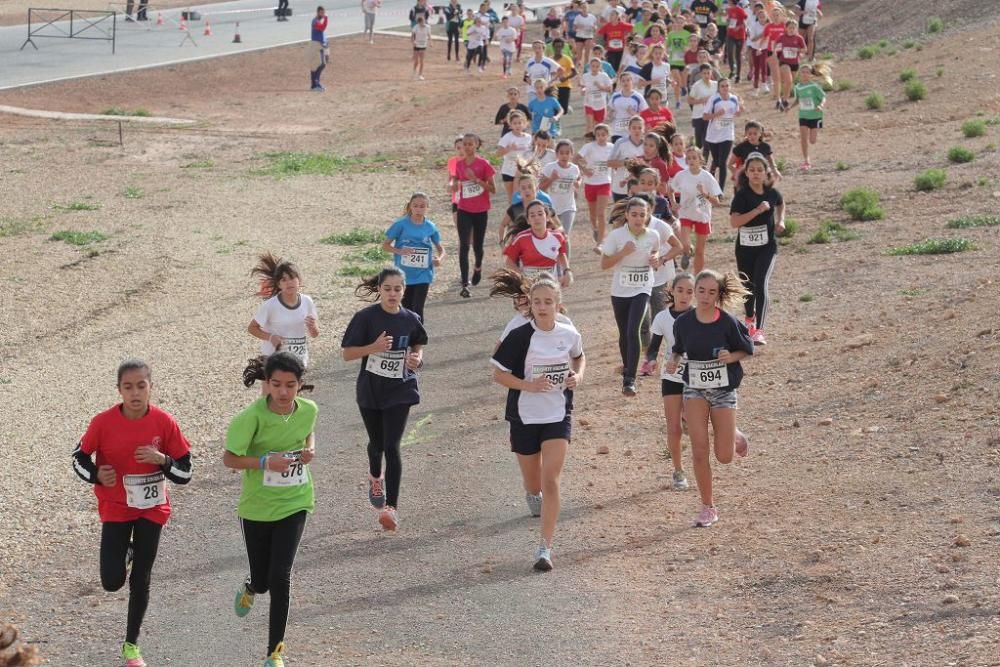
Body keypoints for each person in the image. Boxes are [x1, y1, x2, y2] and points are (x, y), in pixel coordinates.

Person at [73, 359, 193, 667]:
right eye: (128, 387)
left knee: (141, 577)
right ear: (119, 390)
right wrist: (98, 474)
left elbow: (185, 471)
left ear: (151, 387)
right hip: (115, 507)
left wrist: (163, 460)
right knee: (112, 582)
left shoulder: (165, 423)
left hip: (152, 508)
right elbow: (79, 458)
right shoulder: (103, 422)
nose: (135, 392)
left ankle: (131, 646)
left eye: (142, 385)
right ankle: (125, 551)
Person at [225, 352, 317, 667]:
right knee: (263, 581)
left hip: (296, 500)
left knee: (281, 576)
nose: (282, 392)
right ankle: (251, 585)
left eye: (290, 385)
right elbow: (230, 459)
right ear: (266, 383)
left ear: (300, 385)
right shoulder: (249, 418)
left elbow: (307, 430)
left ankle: (274, 654)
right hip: (257, 509)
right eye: (276, 384)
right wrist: (266, 462)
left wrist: (310, 449)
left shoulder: (309, 410)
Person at [492, 274, 585, 571]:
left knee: (551, 479)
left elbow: (579, 357)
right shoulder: (520, 335)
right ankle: (533, 495)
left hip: (558, 414)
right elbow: (498, 374)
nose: (542, 307)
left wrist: (577, 376)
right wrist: (527, 385)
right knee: (534, 483)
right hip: (524, 414)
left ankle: (545, 548)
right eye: (536, 302)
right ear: (529, 304)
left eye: (548, 302)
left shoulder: (568, 333)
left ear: (559, 304)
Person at [342, 267, 427, 531]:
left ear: (404, 290)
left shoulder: (411, 319)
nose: (392, 294)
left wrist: (417, 359)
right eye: (387, 288)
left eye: (397, 289)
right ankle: (375, 476)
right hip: (371, 390)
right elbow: (347, 354)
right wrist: (373, 348)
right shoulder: (365, 318)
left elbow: (419, 343)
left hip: (401, 389)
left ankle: (391, 508)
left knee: (392, 446)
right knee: (376, 444)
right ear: (379, 289)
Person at [665, 269, 752, 528]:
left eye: (711, 292)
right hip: (695, 389)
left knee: (724, 456)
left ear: (718, 294)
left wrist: (731, 357)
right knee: (699, 449)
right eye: (700, 291)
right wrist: (672, 362)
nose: (704, 296)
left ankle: (734, 434)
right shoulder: (684, 323)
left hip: (724, 389)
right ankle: (707, 506)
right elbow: (678, 350)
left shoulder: (727, 321)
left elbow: (747, 349)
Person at [600, 196, 660, 396]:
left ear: (647, 216)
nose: (638, 218)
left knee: (634, 329)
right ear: (626, 215)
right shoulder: (616, 236)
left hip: (642, 287)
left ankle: (630, 380)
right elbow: (604, 264)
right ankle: (627, 367)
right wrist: (623, 253)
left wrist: (655, 259)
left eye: (642, 215)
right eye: (634, 214)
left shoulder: (653, 235)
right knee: (624, 333)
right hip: (620, 290)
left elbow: (656, 252)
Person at [643, 273, 695, 490]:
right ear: (672, 290)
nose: (684, 295)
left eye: (690, 291)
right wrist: (652, 360)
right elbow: (654, 346)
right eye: (680, 290)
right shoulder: (662, 318)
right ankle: (678, 470)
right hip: (671, 375)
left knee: (695, 424)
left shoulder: (699, 315)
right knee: (673, 428)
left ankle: (688, 418)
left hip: (695, 376)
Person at [729, 153, 783, 345]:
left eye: (760, 169)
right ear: (746, 173)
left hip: (767, 247)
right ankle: (749, 320)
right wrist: (757, 211)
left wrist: (780, 220)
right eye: (752, 170)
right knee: (747, 287)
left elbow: (780, 203)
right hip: (745, 249)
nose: (756, 173)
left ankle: (759, 329)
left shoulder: (772, 193)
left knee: (761, 284)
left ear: (766, 172)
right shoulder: (741, 195)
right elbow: (734, 222)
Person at [246, 254, 320, 391]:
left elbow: (315, 334)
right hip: (273, 358)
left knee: (292, 398)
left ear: (299, 280)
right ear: (279, 284)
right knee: (269, 398)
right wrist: (270, 337)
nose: (289, 282)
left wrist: (313, 327)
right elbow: (252, 328)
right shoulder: (271, 305)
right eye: (284, 280)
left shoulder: (307, 301)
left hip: (298, 358)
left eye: (292, 278)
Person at [382, 193, 445, 322]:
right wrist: (400, 251)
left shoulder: (430, 226)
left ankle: (418, 339)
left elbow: (441, 248)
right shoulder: (400, 224)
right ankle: (406, 337)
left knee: (418, 308)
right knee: (406, 308)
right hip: (404, 274)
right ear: (410, 206)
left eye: (422, 206)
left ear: (427, 208)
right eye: (415, 206)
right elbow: (385, 246)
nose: (418, 209)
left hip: (424, 273)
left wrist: (439, 259)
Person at [450, 132, 496, 297]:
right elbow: (456, 179)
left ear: (476, 145)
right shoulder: (459, 164)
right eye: (465, 144)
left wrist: (477, 180)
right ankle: (464, 283)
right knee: (463, 245)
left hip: (481, 210)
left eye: (470, 144)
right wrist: (455, 184)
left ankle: (478, 267)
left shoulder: (484, 164)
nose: (467, 147)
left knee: (477, 246)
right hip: (464, 208)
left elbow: (493, 189)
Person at [670, 145, 722, 274]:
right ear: (686, 161)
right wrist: (673, 203)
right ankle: (687, 252)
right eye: (689, 158)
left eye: (694, 158)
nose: (691, 160)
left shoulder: (707, 177)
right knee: (685, 244)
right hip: (686, 213)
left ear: (700, 159)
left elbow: (717, 203)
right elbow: (670, 190)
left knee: (700, 251)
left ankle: (696, 277)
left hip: (703, 216)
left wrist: (705, 194)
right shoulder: (681, 175)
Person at [503, 199, 572, 283]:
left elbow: (561, 253)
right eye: (532, 215)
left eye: (540, 214)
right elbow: (509, 262)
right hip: (528, 287)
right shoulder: (521, 238)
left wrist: (567, 271)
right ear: (528, 220)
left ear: (547, 218)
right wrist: (522, 278)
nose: (536, 218)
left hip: (551, 285)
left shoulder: (557, 236)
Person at [538, 139, 582, 256]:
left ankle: (565, 267)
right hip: (552, 208)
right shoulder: (549, 168)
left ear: (571, 154)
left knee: (564, 235)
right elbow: (540, 188)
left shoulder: (574, 169)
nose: (564, 156)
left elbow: (578, 179)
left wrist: (578, 184)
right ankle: (553, 262)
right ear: (556, 154)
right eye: (561, 153)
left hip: (568, 207)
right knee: (553, 236)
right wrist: (551, 179)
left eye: (567, 153)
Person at [702, 78, 743, 195]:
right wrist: (716, 114)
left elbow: (736, 113)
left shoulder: (734, 99)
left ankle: (720, 191)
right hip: (713, 136)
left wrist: (739, 112)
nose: (725, 88)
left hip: (727, 135)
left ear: (729, 87)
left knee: (723, 162)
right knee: (716, 161)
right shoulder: (714, 99)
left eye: (727, 86)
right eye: (722, 86)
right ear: (719, 88)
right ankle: (712, 174)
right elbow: (705, 117)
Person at [577, 124, 614, 248]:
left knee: (601, 213)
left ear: (608, 136)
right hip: (590, 183)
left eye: (603, 135)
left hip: (604, 182)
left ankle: (600, 243)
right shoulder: (589, 147)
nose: (601, 137)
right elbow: (575, 159)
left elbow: (618, 161)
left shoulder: (612, 147)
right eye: (598, 135)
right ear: (595, 136)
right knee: (593, 215)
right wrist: (585, 170)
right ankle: (595, 228)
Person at [785, 63, 826, 170]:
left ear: (811, 74)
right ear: (799, 74)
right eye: (803, 72)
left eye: (807, 72)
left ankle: (814, 134)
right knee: (803, 138)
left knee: (812, 140)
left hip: (815, 115)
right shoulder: (797, 87)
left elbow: (823, 97)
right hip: (803, 115)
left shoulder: (814, 86)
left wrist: (821, 105)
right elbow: (798, 100)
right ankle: (806, 160)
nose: (805, 74)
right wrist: (790, 107)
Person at [607, 115, 646, 202]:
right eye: (634, 128)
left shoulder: (647, 144)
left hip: (641, 189)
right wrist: (625, 162)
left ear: (644, 129)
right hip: (621, 188)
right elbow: (609, 163)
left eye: (640, 128)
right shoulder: (620, 142)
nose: (637, 131)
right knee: (620, 215)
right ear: (629, 129)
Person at [729, 119, 780, 185]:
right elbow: (730, 165)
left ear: (760, 134)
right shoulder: (741, 147)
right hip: (746, 180)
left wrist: (775, 171)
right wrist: (738, 174)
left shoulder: (765, 147)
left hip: (761, 178)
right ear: (746, 134)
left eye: (755, 133)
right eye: (749, 134)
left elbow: (771, 162)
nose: (752, 136)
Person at [497, 110, 534, 202]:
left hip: (524, 171)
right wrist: (509, 148)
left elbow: (532, 153)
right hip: (509, 171)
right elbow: (498, 154)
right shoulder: (507, 137)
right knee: (512, 198)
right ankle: (514, 215)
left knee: (526, 196)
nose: (517, 125)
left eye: (520, 123)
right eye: (514, 123)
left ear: (525, 124)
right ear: (510, 125)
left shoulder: (529, 138)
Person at [688, 64, 718, 161]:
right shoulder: (697, 86)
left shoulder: (715, 85)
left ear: (711, 72)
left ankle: (703, 162)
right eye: (704, 73)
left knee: (707, 141)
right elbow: (690, 100)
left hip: (710, 117)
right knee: (699, 143)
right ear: (701, 74)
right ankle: (695, 155)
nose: (706, 75)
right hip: (698, 116)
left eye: (708, 73)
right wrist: (701, 100)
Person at [775, 19, 806, 110]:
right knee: (788, 80)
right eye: (790, 28)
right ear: (786, 28)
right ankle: (784, 100)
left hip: (795, 63)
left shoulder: (799, 38)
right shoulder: (782, 37)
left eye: (793, 28)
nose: (792, 29)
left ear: (796, 28)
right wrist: (775, 51)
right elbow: (775, 45)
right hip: (784, 62)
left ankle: (784, 99)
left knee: (789, 83)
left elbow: (805, 49)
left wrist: (798, 50)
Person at [608, 73, 647, 142]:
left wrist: (634, 113)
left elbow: (645, 114)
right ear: (620, 83)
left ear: (632, 81)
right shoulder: (615, 96)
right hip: (617, 131)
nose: (626, 83)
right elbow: (610, 111)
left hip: (633, 132)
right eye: (623, 81)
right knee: (617, 152)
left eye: (628, 80)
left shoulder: (638, 97)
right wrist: (609, 116)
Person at [581, 57, 613, 133]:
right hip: (589, 103)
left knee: (598, 126)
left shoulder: (604, 76)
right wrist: (583, 90)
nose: (594, 68)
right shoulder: (585, 76)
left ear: (600, 67)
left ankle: (596, 141)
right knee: (589, 125)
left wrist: (600, 87)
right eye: (593, 66)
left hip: (601, 104)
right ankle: (588, 142)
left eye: (597, 66)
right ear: (589, 66)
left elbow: (610, 90)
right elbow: (583, 88)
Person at [665, 18, 692, 108]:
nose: (679, 24)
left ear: (684, 24)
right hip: (674, 60)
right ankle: (678, 100)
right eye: (678, 22)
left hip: (684, 61)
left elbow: (691, 45)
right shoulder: (671, 34)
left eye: (681, 23)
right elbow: (666, 46)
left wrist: (686, 48)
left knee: (682, 81)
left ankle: (682, 89)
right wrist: (668, 50)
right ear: (675, 23)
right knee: (676, 79)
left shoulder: (687, 34)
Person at [550, 37, 577, 116]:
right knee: (554, 110)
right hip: (553, 87)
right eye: (556, 46)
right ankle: (556, 126)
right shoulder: (550, 60)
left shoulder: (567, 59)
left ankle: (566, 106)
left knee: (563, 110)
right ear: (553, 47)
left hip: (565, 86)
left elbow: (574, 72)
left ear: (562, 47)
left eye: (560, 46)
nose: (558, 48)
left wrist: (565, 78)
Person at [724, 0, 748, 82]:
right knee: (729, 52)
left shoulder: (740, 10)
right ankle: (732, 70)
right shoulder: (729, 9)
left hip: (740, 35)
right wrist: (727, 22)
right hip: (730, 34)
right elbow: (729, 19)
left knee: (738, 55)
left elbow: (745, 21)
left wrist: (739, 27)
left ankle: (738, 75)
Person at [572, 1, 598, 67]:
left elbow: (595, 28)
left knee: (587, 54)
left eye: (585, 7)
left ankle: (586, 69)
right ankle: (577, 69)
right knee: (579, 55)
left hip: (588, 36)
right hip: (579, 36)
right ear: (580, 9)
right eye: (582, 7)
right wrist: (579, 27)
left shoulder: (592, 17)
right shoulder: (578, 17)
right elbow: (574, 28)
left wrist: (594, 28)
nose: (584, 9)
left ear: (588, 8)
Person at [309, 7, 329, 92]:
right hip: (316, 45)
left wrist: (326, 43)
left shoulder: (319, 21)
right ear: (317, 12)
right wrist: (326, 19)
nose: (323, 14)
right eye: (321, 13)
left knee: (322, 64)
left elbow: (322, 33)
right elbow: (322, 28)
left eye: (323, 13)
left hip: (321, 45)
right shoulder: (315, 21)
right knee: (318, 65)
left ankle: (315, 84)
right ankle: (315, 85)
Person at [412, 15, 432, 80]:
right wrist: (413, 42)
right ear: (419, 22)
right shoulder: (416, 27)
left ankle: (420, 74)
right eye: (422, 22)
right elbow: (412, 36)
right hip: (416, 45)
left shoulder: (427, 27)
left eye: (424, 21)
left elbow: (429, 35)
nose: (423, 23)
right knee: (416, 61)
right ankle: (414, 72)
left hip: (423, 45)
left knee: (422, 61)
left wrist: (431, 42)